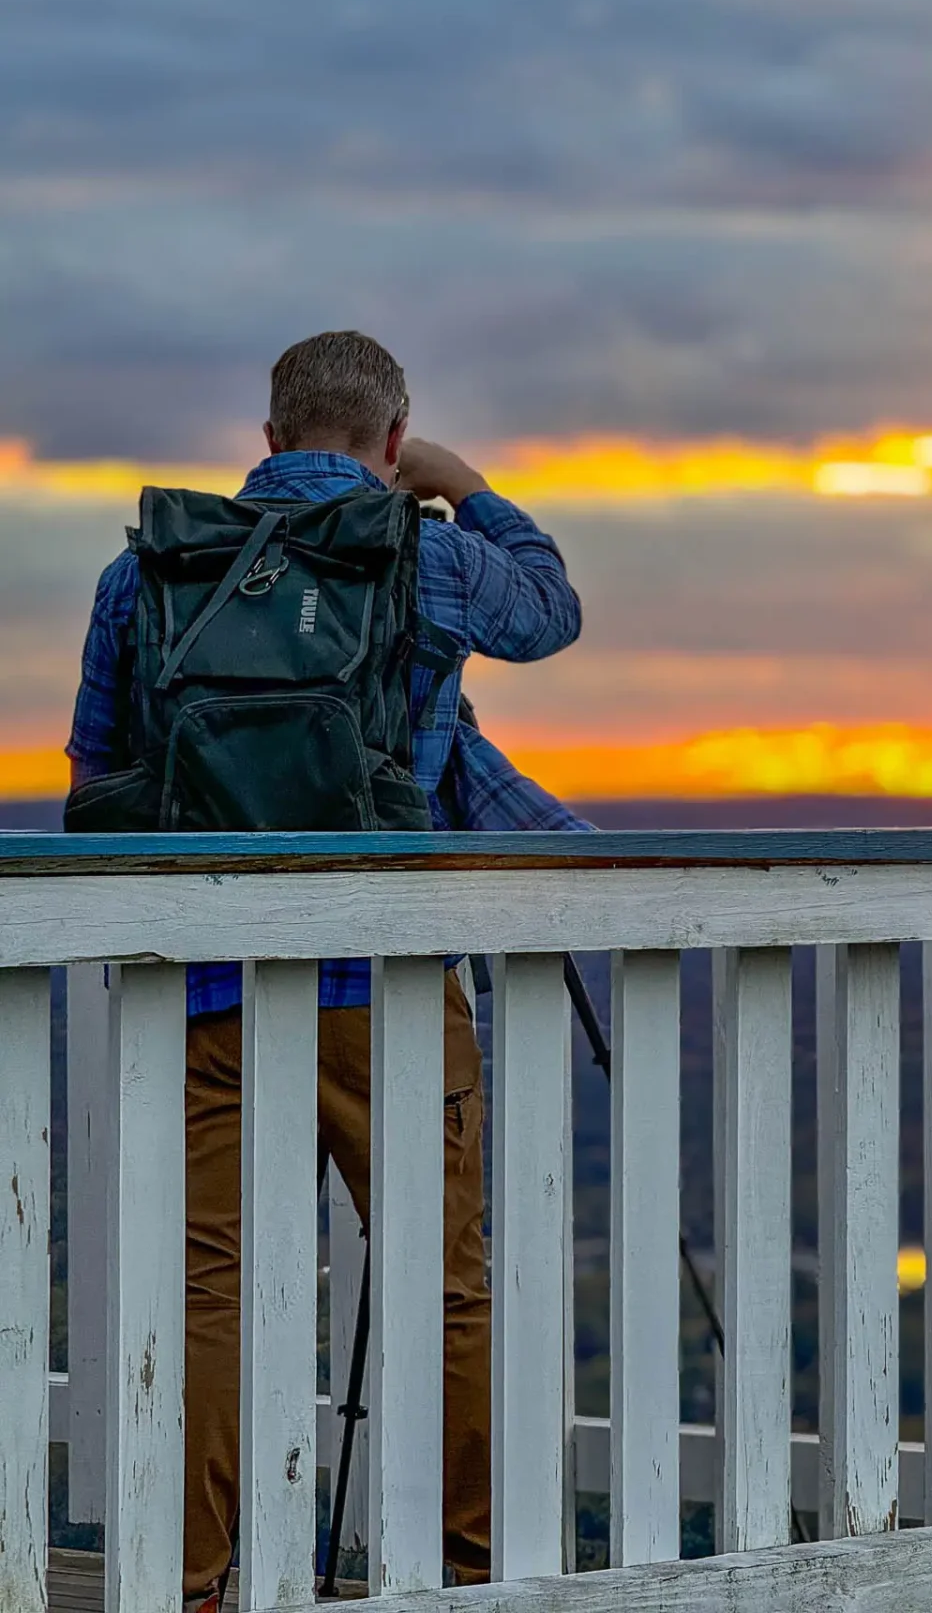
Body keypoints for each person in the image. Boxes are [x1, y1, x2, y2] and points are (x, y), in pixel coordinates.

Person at [65, 330, 584, 1608]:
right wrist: (461, 483)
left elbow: (95, 779)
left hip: (212, 985)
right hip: (393, 985)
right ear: (390, 442)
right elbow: (553, 610)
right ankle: (466, 1579)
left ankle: (186, 1581)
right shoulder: (432, 554)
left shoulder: (151, 573)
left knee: (208, 1291)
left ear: (268, 438)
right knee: (448, 1285)